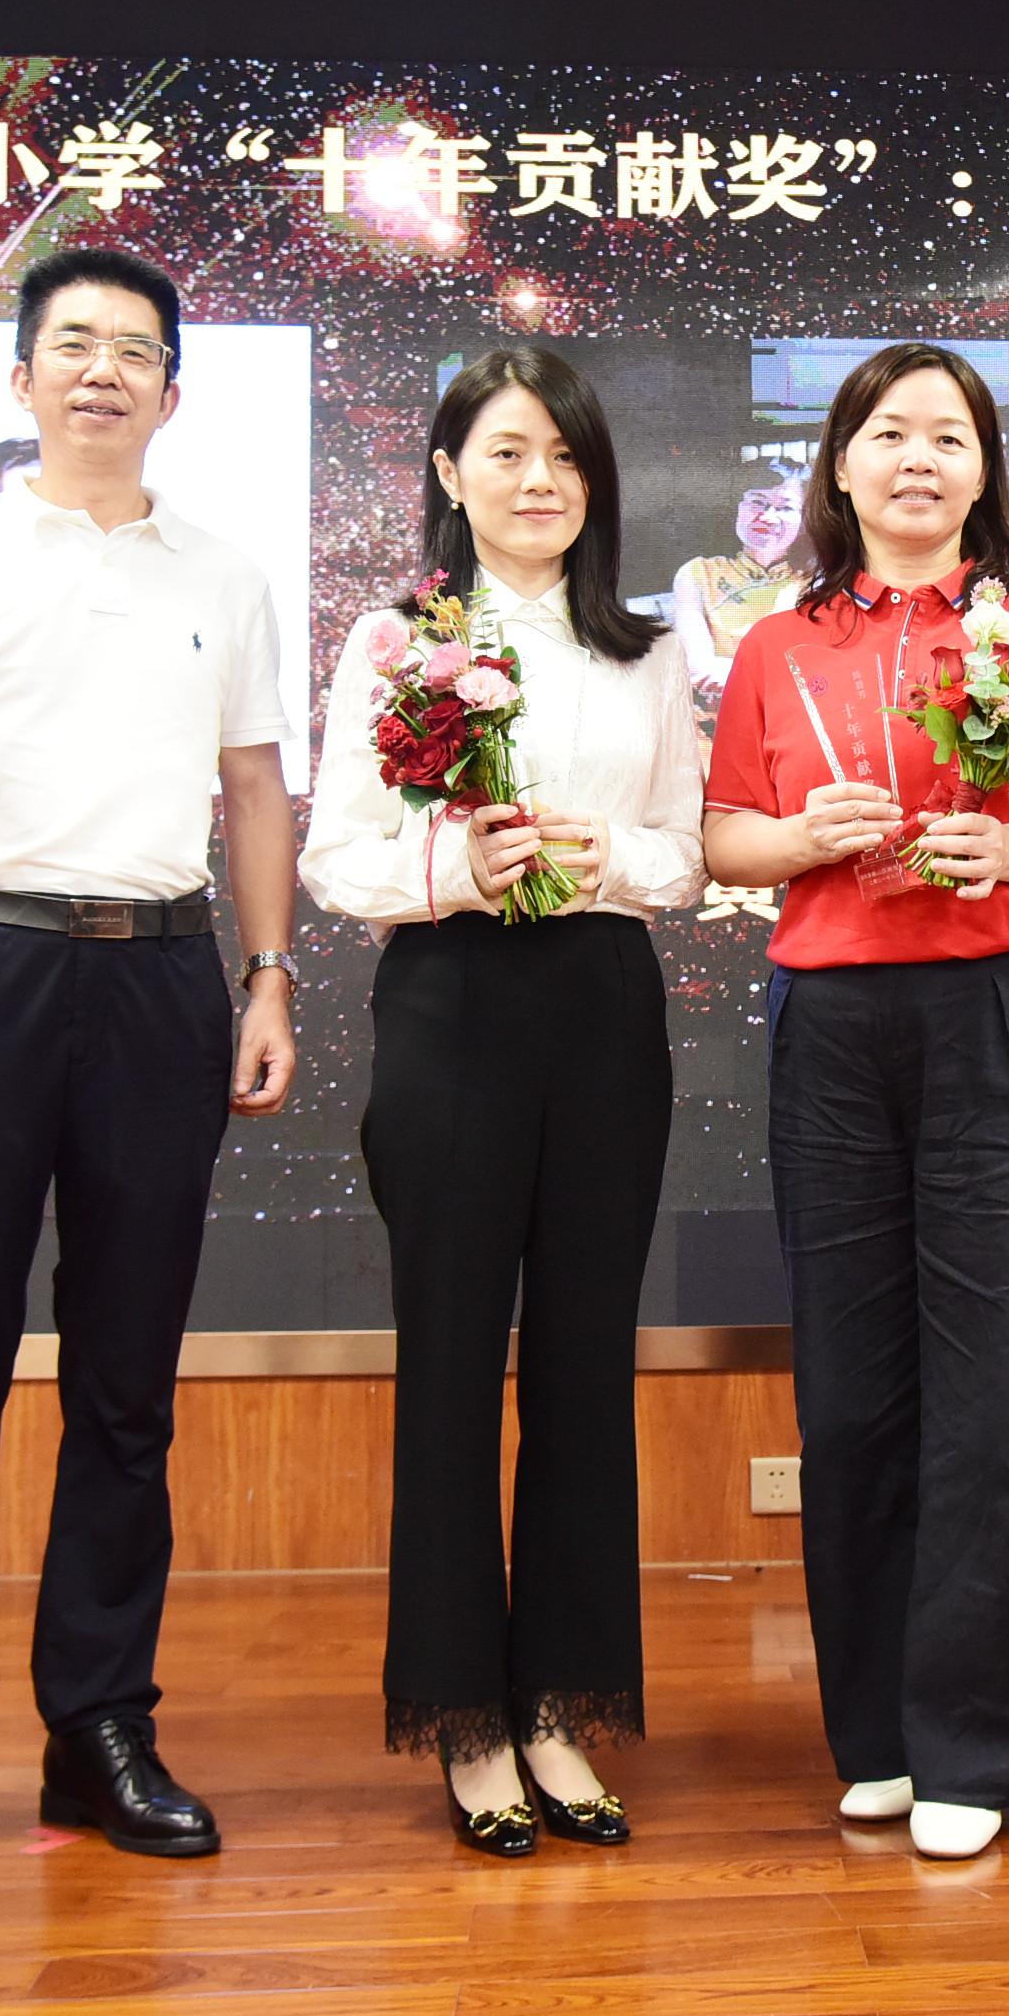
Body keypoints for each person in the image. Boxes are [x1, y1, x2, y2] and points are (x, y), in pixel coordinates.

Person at [0, 249, 299, 1889]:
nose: (104, 369)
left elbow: (253, 789)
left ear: (173, 392)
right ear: (20, 380)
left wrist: (268, 976)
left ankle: (101, 1727)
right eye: (73, 343)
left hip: (161, 975)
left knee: (126, 1381)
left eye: (135, 350)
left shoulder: (225, 575)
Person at [699, 341, 1009, 1861]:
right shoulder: (780, 644)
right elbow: (725, 840)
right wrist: (801, 840)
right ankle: (880, 1734)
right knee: (853, 1388)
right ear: (838, 465)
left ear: (981, 470)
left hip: (1003, 1009)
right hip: (832, 1024)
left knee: (999, 1388)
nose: (916, 459)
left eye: (947, 436)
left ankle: (982, 1747)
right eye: (887, 432)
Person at [300, 347, 704, 1858]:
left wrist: (618, 860)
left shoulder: (642, 650)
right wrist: (453, 867)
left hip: (601, 1007)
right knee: (454, 1363)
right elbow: (337, 859)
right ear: (449, 472)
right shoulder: (393, 641)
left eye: (567, 457)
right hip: (451, 1005)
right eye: (510, 452)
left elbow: (686, 848)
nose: (541, 481)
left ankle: (562, 1707)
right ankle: (465, 1719)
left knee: (586, 1367)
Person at [670, 454, 807, 700]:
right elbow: (698, 667)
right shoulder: (698, 574)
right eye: (757, 502)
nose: (768, 517)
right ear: (735, 506)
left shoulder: (817, 583)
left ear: (804, 520)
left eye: (785, 507)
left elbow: (814, 672)